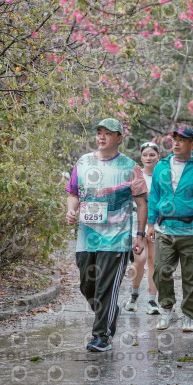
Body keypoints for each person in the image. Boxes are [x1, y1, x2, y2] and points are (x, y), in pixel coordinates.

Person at [65, 118, 148, 352]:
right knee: (87, 287)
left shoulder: (130, 167)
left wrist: (139, 235)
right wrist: (71, 210)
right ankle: (110, 311)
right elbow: (73, 193)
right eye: (99, 132)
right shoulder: (84, 162)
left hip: (116, 239)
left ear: (120, 138)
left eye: (108, 133)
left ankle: (101, 336)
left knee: (106, 289)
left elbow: (142, 203)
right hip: (86, 238)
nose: (102, 137)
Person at [147, 127, 193, 332]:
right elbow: (154, 196)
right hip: (165, 229)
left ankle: (189, 315)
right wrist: (150, 223)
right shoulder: (161, 166)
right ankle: (167, 309)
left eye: (182, 140)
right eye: (174, 139)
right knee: (161, 270)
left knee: (191, 276)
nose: (176, 143)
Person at [125, 142, 161, 315]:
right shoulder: (135, 175)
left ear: (158, 157)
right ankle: (134, 294)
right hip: (137, 222)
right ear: (141, 157)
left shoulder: (162, 176)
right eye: (145, 155)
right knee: (139, 259)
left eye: (152, 155)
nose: (148, 158)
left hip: (157, 222)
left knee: (153, 261)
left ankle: (152, 301)